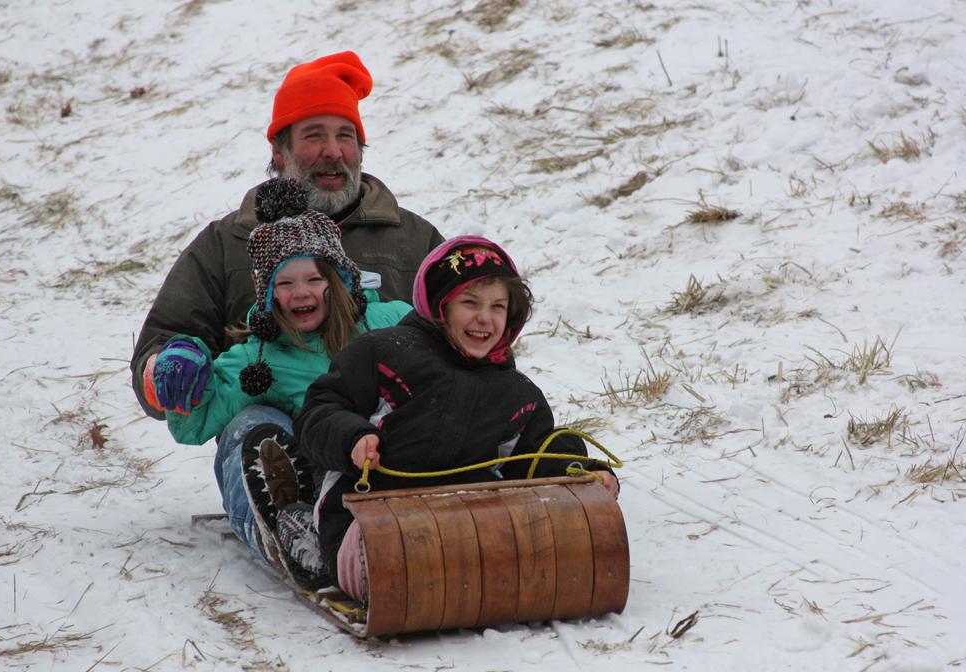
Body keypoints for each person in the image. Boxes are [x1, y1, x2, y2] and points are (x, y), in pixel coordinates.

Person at [248, 236, 619, 598]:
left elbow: (537, 452)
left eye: (497, 307)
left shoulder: (516, 393)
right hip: (369, 512)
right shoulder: (383, 352)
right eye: (469, 303)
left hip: (463, 521)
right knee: (388, 574)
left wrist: (579, 471)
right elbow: (321, 411)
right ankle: (302, 529)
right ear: (441, 307)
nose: (484, 319)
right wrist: (354, 438)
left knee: (520, 558)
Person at [131, 51, 443, 420]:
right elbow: (161, 342)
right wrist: (170, 367)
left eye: (346, 136)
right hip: (274, 438)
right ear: (279, 153)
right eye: (314, 136)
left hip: (397, 433)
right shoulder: (227, 243)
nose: (333, 151)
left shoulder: (412, 239)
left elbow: (471, 330)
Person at [144, 177, 411, 562]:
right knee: (251, 427)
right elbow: (193, 425)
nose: (301, 293)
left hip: (391, 462)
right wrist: (186, 369)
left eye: (314, 279)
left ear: (338, 282)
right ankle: (282, 529)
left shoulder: (391, 322)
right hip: (323, 479)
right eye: (285, 283)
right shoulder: (259, 360)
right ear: (268, 293)